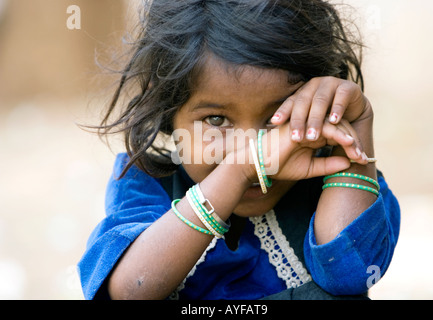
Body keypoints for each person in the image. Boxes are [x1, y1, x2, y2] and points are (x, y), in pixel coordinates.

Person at [78, 0, 400, 300]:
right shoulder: (146, 182)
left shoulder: (335, 179)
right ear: (167, 110)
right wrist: (240, 170)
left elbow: (350, 275)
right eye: (216, 119)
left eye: (278, 118)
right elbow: (129, 291)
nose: (251, 147)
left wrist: (355, 128)